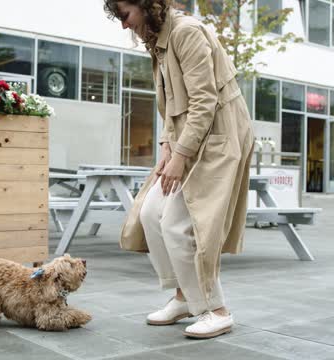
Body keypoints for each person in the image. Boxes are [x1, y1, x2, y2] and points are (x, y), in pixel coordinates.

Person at [104, 0, 255, 339]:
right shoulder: (159, 40)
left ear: (145, 6)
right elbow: (172, 104)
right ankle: (184, 297)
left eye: (126, 15)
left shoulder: (186, 33)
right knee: (150, 212)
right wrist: (166, 148)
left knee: (181, 223)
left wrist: (180, 155)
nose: (124, 25)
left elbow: (204, 102)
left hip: (218, 137)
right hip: (192, 137)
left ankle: (216, 310)